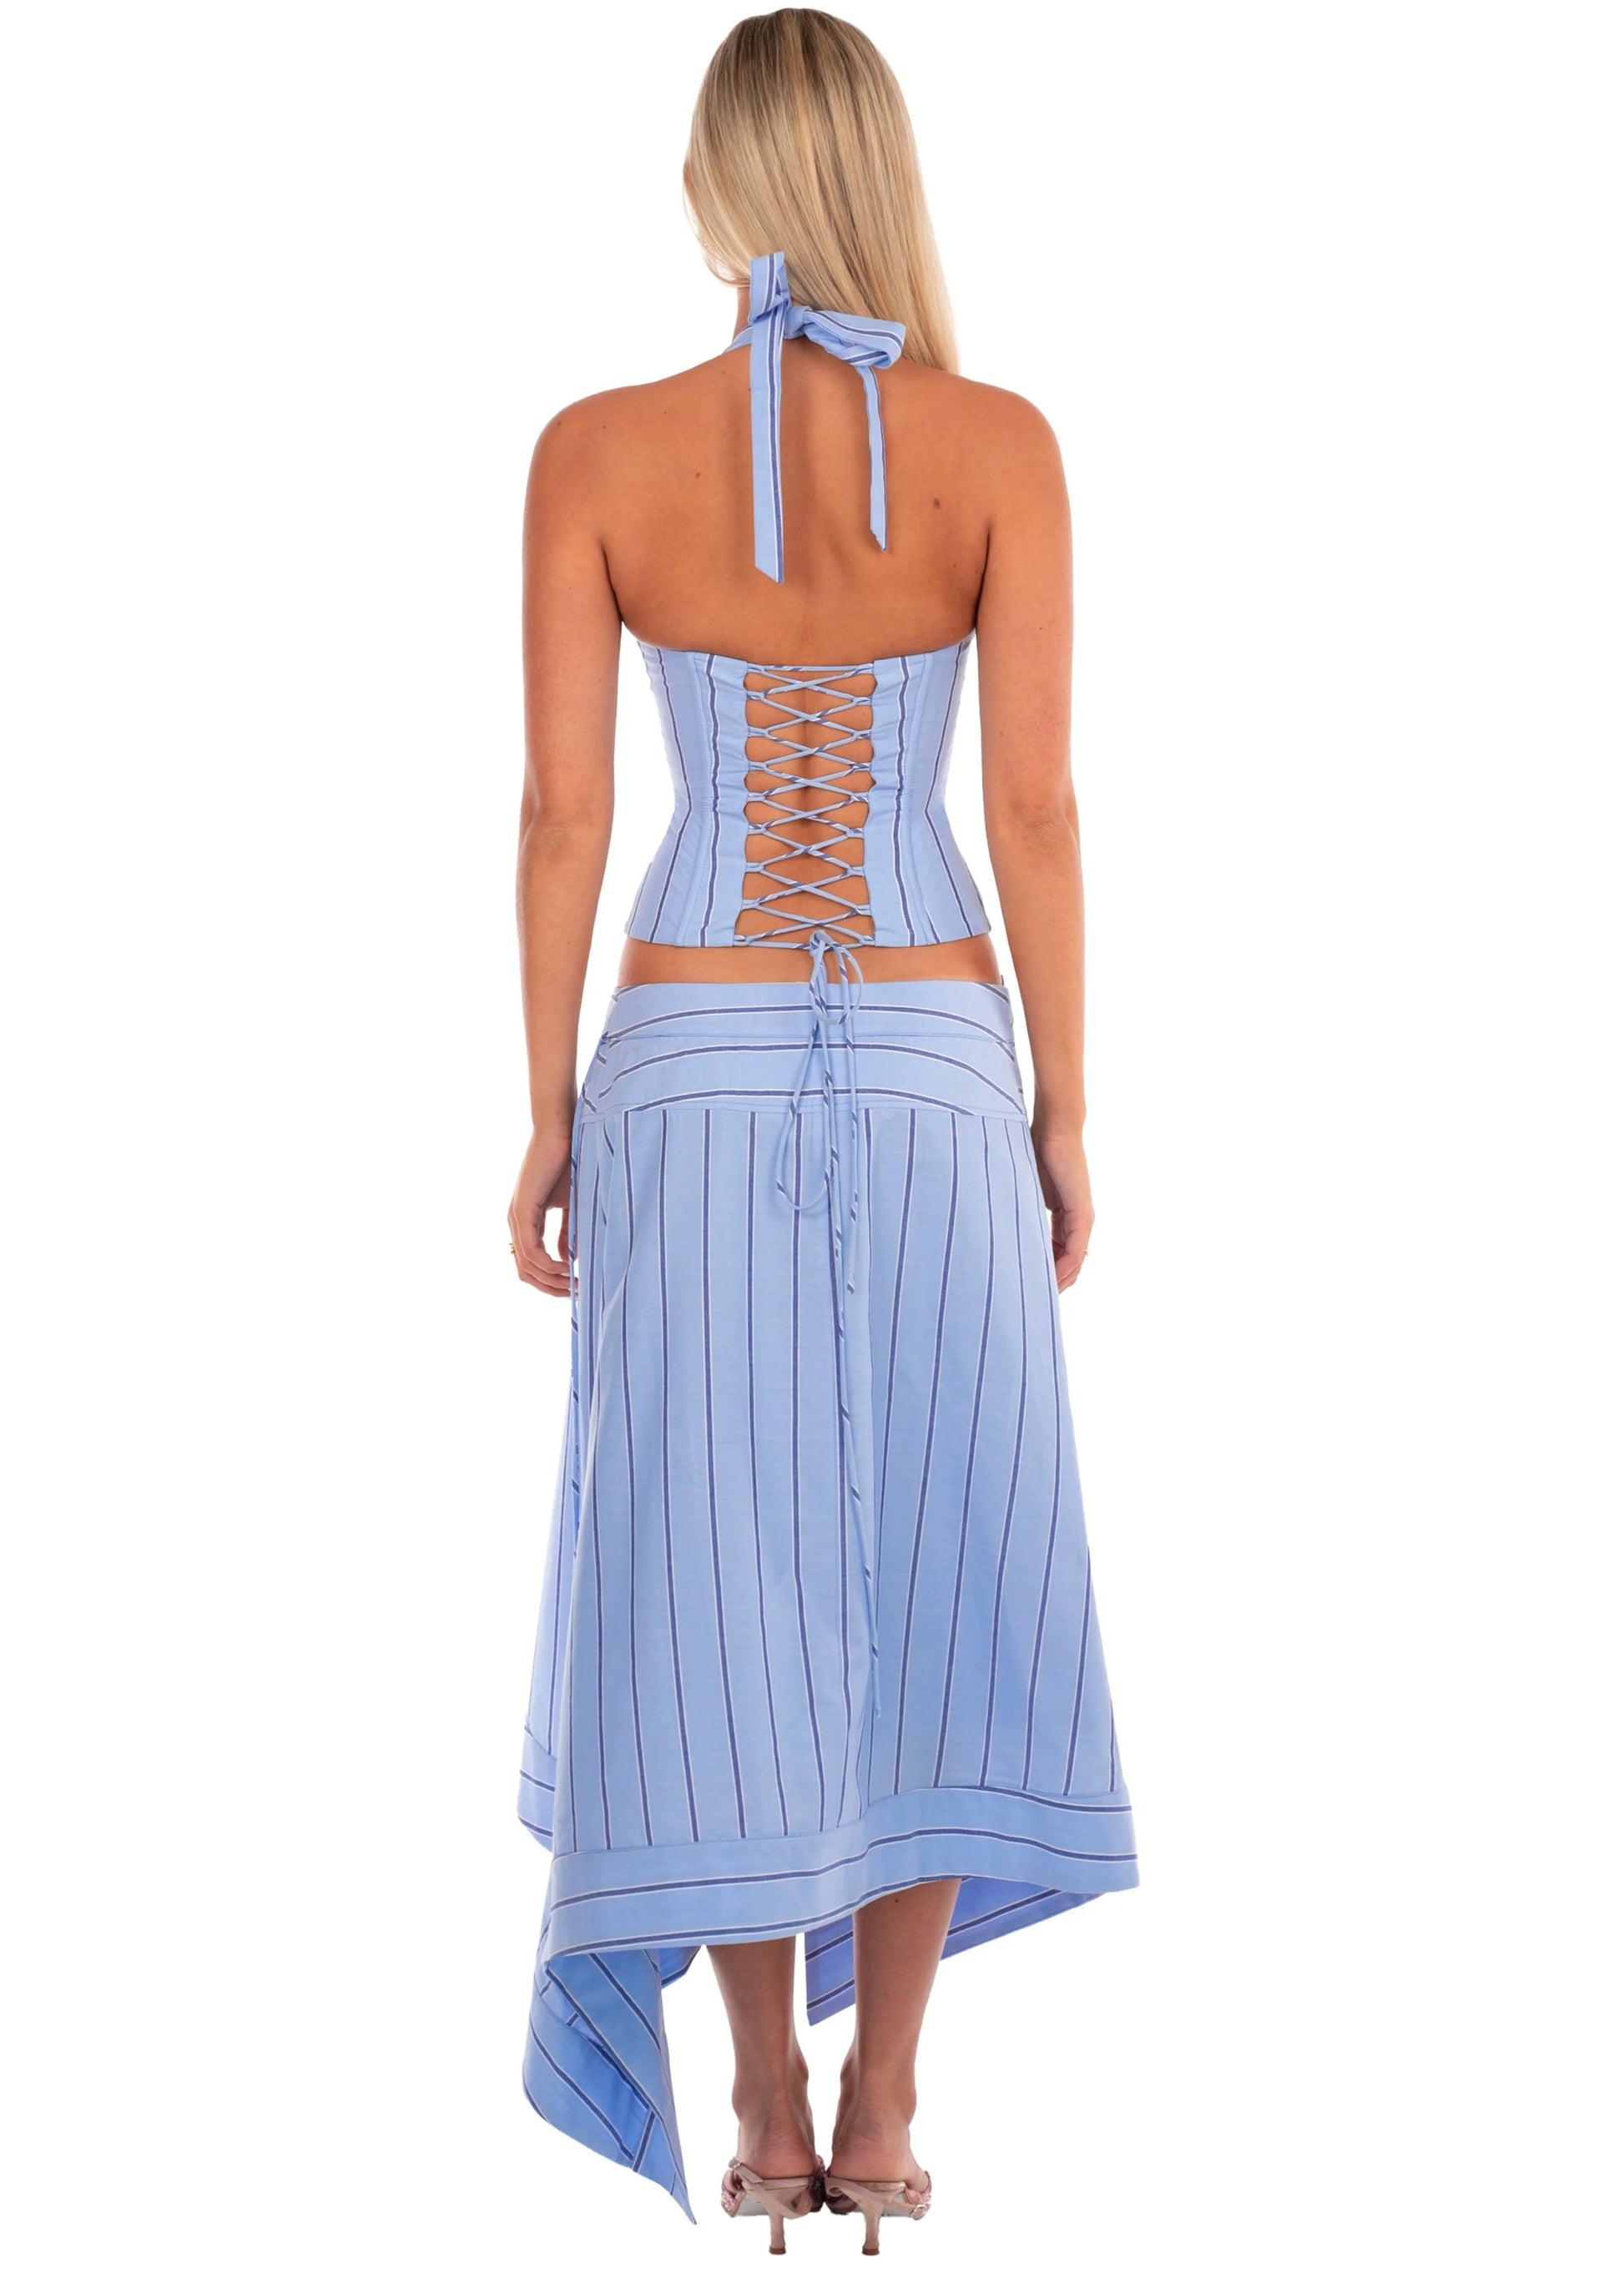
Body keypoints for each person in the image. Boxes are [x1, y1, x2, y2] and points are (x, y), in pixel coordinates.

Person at [507, 8, 1138, 2245]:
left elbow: (565, 815)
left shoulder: (596, 450)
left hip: (681, 1061)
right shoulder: (998, 445)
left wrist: (543, 1110)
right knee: (935, 1559)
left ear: (717, 186)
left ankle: (765, 2085)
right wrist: (1066, 1104)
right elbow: (1034, 808)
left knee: (720, 1584)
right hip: (940, 1060)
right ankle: (885, 2103)